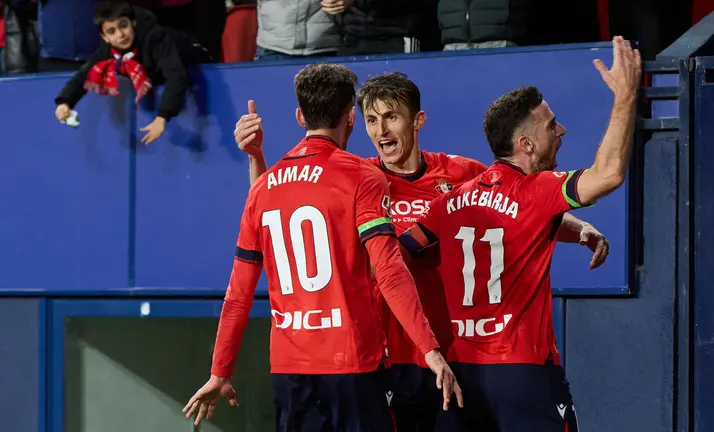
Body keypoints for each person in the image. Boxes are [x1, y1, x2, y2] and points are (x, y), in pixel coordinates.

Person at [234, 71, 609, 431]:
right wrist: (256, 158)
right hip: (388, 358)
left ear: (418, 121)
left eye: (391, 117)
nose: (381, 131)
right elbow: (276, 215)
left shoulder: (461, 173)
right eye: (370, 120)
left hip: (455, 359)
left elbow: (517, 211)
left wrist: (580, 230)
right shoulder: (356, 179)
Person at [182, 62, 462, 431]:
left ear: (300, 115)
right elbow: (390, 271)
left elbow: (237, 296)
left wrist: (220, 371)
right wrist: (431, 350)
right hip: (353, 365)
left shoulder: (263, 189)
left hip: (289, 370)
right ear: (350, 116)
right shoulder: (363, 176)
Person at [396, 36, 641, 432]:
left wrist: (580, 232)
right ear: (525, 144)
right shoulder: (537, 191)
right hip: (523, 373)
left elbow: (398, 257)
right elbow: (608, 174)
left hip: (461, 375)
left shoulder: (450, 202)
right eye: (550, 124)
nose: (560, 129)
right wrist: (626, 97)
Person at [53, 0, 211, 145]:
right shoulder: (108, 48)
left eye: (123, 25)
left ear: (133, 22)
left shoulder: (156, 37)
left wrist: (162, 116)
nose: (120, 35)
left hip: (198, 61)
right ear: (104, 37)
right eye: (112, 31)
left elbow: (176, 76)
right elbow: (84, 74)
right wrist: (64, 102)